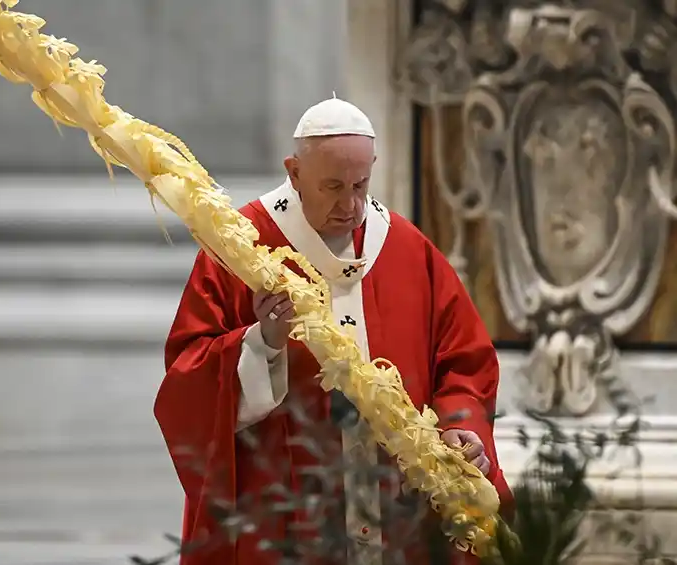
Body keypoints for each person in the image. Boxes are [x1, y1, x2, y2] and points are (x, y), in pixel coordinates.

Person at [154, 97, 514, 565]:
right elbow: (187, 381)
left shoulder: (405, 248)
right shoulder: (239, 245)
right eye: (333, 186)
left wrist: (459, 429)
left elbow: (463, 364)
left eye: (360, 184)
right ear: (295, 171)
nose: (350, 205)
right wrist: (263, 342)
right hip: (288, 515)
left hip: (395, 514)